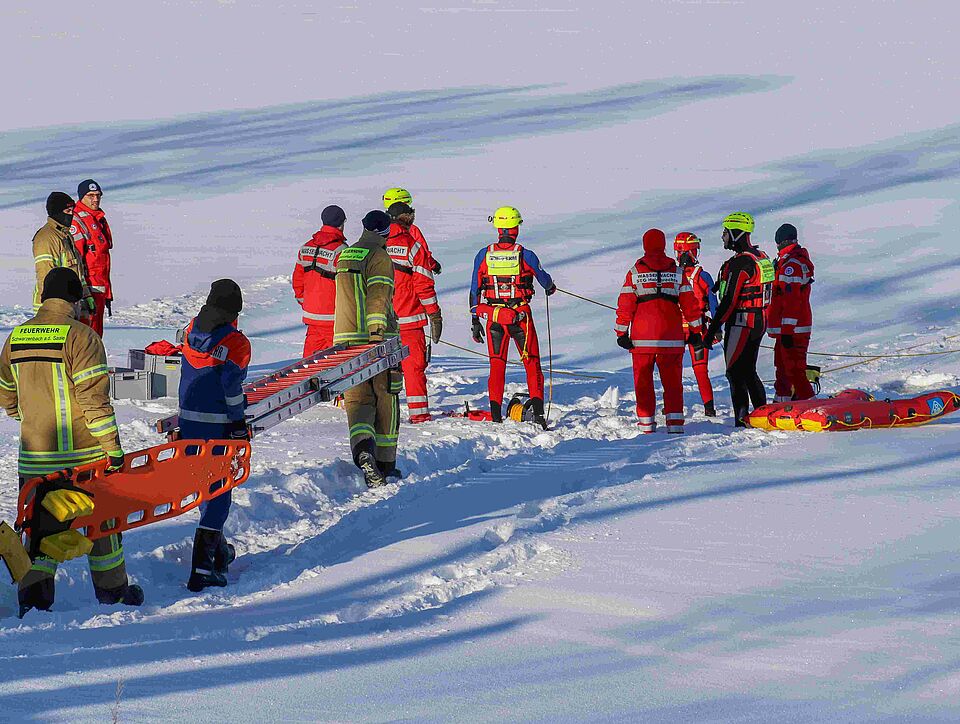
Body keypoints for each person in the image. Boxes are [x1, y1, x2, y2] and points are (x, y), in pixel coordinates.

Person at [0, 268, 142, 616]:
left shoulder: (16, 337)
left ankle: (34, 602)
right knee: (103, 525)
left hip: (34, 460)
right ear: (75, 300)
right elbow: (94, 402)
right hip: (83, 458)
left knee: (38, 531)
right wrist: (113, 449)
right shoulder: (81, 337)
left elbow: (6, 395)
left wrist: (28, 419)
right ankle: (113, 594)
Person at [179, 279, 251, 592]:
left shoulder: (189, 329)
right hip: (218, 426)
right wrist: (237, 422)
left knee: (203, 484)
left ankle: (218, 552)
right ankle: (201, 567)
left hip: (188, 422)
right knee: (220, 491)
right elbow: (232, 389)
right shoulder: (237, 343)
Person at [469, 206, 555, 429]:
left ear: (498, 228)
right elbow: (543, 279)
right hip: (520, 317)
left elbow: (473, 290)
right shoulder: (525, 254)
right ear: (516, 227)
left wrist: (475, 320)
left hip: (494, 318)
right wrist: (550, 286)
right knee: (532, 364)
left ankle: (496, 416)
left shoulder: (483, 254)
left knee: (496, 367)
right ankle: (538, 416)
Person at [334, 210, 402, 488]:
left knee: (358, 402)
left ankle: (363, 450)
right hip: (374, 341)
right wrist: (378, 335)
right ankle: (385, 464)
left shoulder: (346, 254)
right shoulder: (379, 257)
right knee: (386, 398)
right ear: (385, 232)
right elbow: (378, 297)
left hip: (345, 340)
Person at [615, 229, 702, 433]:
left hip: (642, 339)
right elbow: (690, 304)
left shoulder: (635, 272)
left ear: (645, 245)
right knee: (673, 384)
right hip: (672, 338)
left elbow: (625, 304)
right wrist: (696, 330)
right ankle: (675, 425)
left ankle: (646, 425)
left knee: (643, 382)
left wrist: (621, 332)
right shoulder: (677, 272)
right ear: (663, 245)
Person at [704, 212, 775, 426]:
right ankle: (762, 413)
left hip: (742, 322)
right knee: (748, 369)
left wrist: (711, 332)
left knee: (734, 372)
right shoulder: (761, 257)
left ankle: (742, 420)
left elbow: (728, 302)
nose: (723, 237)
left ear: (736, 233)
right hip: (759, 320)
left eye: (725, 232)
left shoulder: (741, 263)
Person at [385, 201, 442, 423]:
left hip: (381, 321)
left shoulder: (377, 245)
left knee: (382, 370)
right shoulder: (413, 246)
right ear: (407, 219)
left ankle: (385, 414)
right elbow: (424, 285)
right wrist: (434, 314)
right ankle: (419, 415)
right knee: (414, 368)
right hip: (410, 319)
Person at [292, 205, 349, 357]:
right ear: (342, 224)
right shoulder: (341, 251)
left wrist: (307, 302)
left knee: (309, 365)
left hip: (312, 317)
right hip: (334, 320)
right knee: (338, 364)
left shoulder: (305, 248)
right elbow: (347, 285)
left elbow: (297, 280)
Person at [768, 223, 816, 402]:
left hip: (793, 328)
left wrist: (787, 329)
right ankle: (782, 402)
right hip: (788, 327)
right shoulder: (788, 262)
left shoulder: (791, 265)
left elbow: (791, 300)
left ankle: (809, 404)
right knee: (781, 367)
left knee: (794, 370)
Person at [674, 232, 718, 417]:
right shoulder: (702, 276)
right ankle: (709, 408)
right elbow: (714, 303)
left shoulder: (671, 275)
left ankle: (672, 405)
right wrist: (717, 329)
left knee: (673, 371)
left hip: (675, 330)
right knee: (700, 370)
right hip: (698, 330)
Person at [33, 192, 95, 320]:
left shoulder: (66, 236)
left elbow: (77, 272)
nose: (71, 214)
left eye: (73, 210)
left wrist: (86, 295)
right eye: (67, 210)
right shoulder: (46, 238)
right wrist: (50, 311)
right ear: (56, 212)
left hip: (70, 305)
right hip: (53, 309)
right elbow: (45, 276)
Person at [70, 180, 114, 336]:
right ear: (81, 197)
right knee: (87, 338)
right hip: (87, 291)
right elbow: (75, 260)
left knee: (95, 336)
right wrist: (82, 291)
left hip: (100, 290)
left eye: (98, 195)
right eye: (90, 196)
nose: (95, 199)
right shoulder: (78, 221)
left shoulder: (98, 218)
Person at [383, 187, 441, 274]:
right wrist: (434, 265)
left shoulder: (377, 226)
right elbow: (422, 253)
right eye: (407, 202)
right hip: (405, 279)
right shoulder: (411, 230)